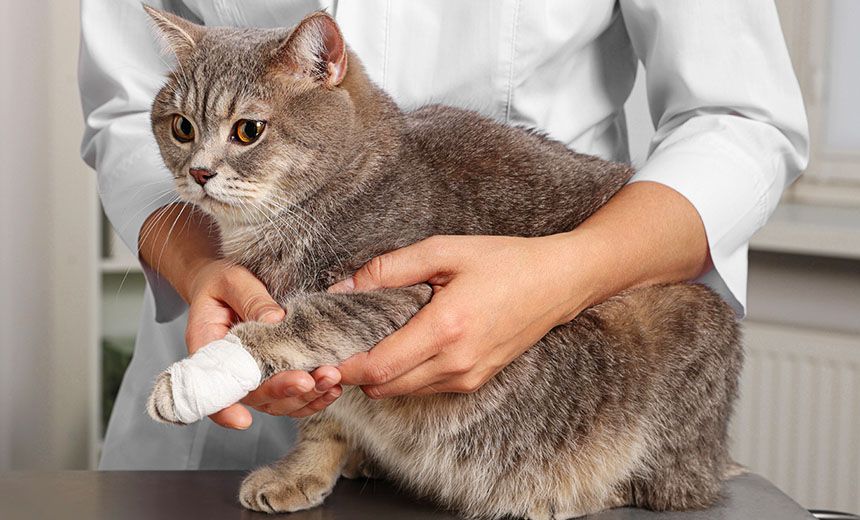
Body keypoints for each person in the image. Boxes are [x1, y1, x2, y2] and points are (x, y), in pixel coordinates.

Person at [79, 0, 808, 470]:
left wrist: (562, 276)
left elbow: (740, 120)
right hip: (224, 435)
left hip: (540, 380)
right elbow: (125, 110)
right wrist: (200, 272)